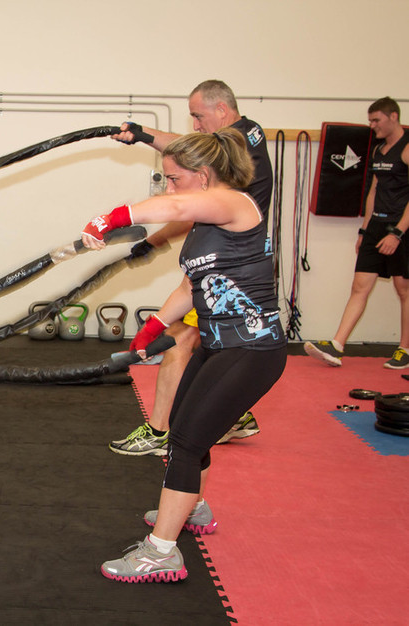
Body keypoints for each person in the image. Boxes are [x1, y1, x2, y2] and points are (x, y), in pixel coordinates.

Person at [81, 129, 287, 582]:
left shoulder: (236, 203)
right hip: (219, 345)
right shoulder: (207, 226)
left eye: (174, 179)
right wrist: (152, 328)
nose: (170, 189)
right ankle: (193, 506)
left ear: (203, 176)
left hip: (252, 349)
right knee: (185, 433)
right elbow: (192, 286)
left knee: (187, 444)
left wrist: (110, 218)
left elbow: (174, 208)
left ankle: (161, 553)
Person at [108, 79, 273, 456]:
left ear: (222, 109)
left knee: (182, 341)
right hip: (221, 265)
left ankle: (159, 430)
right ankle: (235, 415)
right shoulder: (230, 170)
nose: (196, 124)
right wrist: (155, 241)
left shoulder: (240, 138)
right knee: (198, 344)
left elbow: (185, 186)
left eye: (198, 116)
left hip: (230, 274)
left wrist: (144, 135)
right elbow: (188, 208)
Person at [304, 97, 409, 369]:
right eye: (370, 120)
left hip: (402, 227)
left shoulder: (407, 147)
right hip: (377, 225)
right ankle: (338, 345)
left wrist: (397, 233)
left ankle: (405, 349)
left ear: (393, 117)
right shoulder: (378, 150)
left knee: (404, 288)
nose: (372, 125)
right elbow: (373, 190)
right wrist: (365, 228)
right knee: (359, 285)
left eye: (377, 120)